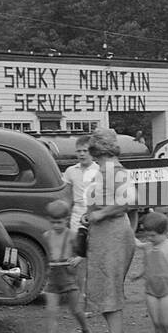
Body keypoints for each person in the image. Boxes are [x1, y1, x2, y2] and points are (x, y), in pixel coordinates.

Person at [85, 127, 137, 333]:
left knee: (110, 289)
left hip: (114, 234)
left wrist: (100, 214)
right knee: (100, 289)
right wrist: (91, 215)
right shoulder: (103, 170)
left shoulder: (115, 170)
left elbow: (128, 200)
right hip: (102, 235)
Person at [36, 199, 94, 333]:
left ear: (67, 219)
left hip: (69, 277)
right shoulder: (47, 236)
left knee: (75, 309)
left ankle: (86, 331)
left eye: (60, 222)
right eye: (53, 222)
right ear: (49, 220)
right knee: (51, 310)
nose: (56, 225)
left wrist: (78, 258)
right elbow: (46, 256)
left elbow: (84, 251)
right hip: (53, 277)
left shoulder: (73, 235)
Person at [62, 133, 100, 312]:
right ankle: (82, 299)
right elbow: (67, 197)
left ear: (91, 151)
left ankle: (94, 300)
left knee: (94, 258)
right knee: (78, 260)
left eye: (85, 151)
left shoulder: (99, 171)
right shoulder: (71, 171)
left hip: (95, 216)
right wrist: (64, 218)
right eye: (79, 151)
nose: (82, 154)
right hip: (77, 218)